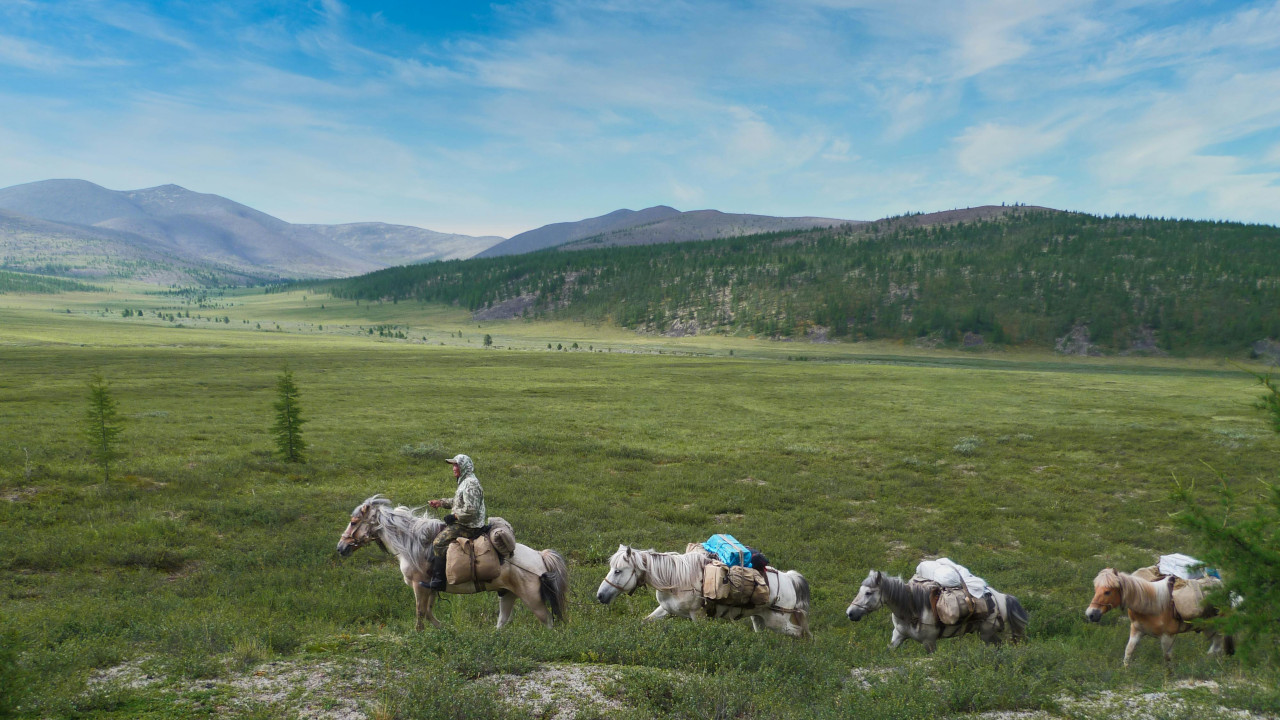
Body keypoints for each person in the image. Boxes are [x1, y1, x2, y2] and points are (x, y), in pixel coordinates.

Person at [421, 453, 488, 590]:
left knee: (438, 543)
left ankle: (439, 581)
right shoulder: (465, 482)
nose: (453, 468)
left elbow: (472, 510)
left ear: (464, 467)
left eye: (456, 465)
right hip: (464, 522)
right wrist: (440, 503)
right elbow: (458, 502)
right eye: (453, 465)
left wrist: (455, 517)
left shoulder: (471, 484)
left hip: (470, 525)